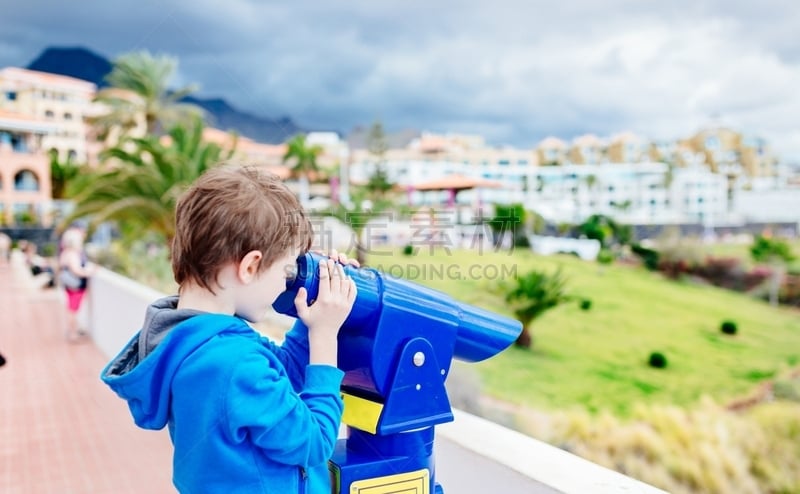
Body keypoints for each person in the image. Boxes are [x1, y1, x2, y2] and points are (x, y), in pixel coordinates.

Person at [101, 163, 357, 493]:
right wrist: (324, 336)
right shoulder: (235, 364)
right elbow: (315, 441)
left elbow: (284, 376)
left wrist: (313, 311)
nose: (285, 286)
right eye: (285, 272)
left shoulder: (193, 343)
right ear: (250, 266)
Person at [58, 227, 96, 341]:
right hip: (75, 285)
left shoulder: (64, 252)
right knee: (73, 310)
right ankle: (73, 333)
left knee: (71, 308)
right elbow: (77, 270)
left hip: (69, 284)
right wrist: (89, 271)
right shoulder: (73, 254)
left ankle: (72, 330)